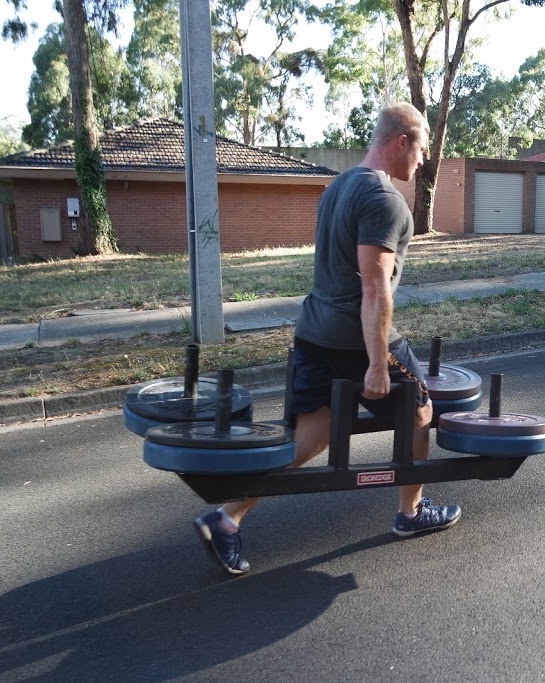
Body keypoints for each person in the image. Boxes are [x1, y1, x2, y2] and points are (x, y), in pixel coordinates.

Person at [194, 103, 461, 576]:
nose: (423, 160)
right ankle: (411, 512)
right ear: (402, 140)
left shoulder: (337, 186)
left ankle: (226, 519)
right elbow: (374, 287)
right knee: (419, 408)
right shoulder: (385, 200)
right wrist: (377, 364)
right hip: (355, 339)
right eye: (421, 148)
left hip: (313, 333)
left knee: (311, 437)